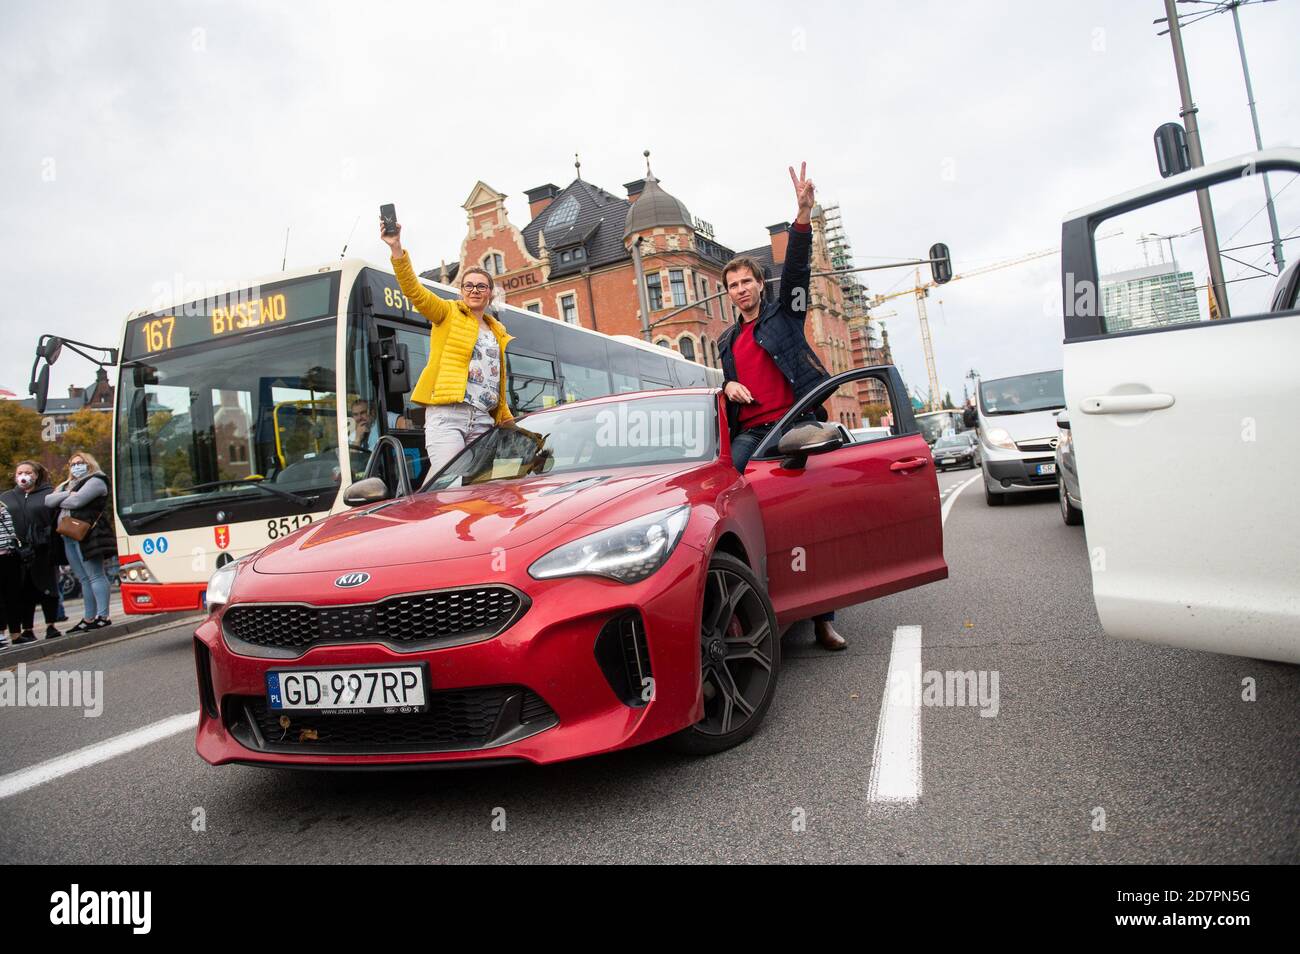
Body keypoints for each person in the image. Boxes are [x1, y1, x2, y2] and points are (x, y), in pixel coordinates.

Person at [716, 162, 847, 652]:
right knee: (729, 501)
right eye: (733, 285)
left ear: (759, 284)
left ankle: (824, 620)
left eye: (747, 281)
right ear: (728, 294)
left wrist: (802, 215)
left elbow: (797, 270)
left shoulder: (785, 316)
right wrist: (726, 387)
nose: (741, 289)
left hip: (793, 426)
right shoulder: (727, 341)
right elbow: (729, 385)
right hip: (752, 434)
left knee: (811, 515)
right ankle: (742, 603)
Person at [380, 218, 515, 474]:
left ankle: (420, 506)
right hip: (448, 415)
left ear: (490, 293)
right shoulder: (447, 313)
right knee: (450, 481)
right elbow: (414, 291)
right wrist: (396, 248)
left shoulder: (498, 331)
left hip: (483, 419)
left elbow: (493, 382)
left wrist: (510, 423)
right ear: (461, 291)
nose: (474, 290)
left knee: (477, 487)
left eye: (481, 286)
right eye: (468, 285)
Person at [46, 451, 115, 631]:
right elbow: (47, 501)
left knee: (95, 575)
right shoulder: (66, 484)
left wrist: (64, 496)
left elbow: (77, 501)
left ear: (89, 463)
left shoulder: (97, 480)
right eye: (73, 463)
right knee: (84, 578)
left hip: (88, 534)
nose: (76, 466)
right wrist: (68, 494)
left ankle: (103, 615)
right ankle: (89, 618)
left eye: (80, 462)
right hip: (67, 534)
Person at [0, 461, 62, 643]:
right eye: (20, 472)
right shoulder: (7, 497)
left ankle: (51, 625)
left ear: (36, 475)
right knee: (23, 591)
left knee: (47, 588)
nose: (23, 476)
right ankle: (27, 629)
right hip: (17, 552)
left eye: (28, 472)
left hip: (43, 548)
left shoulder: (48, 493)